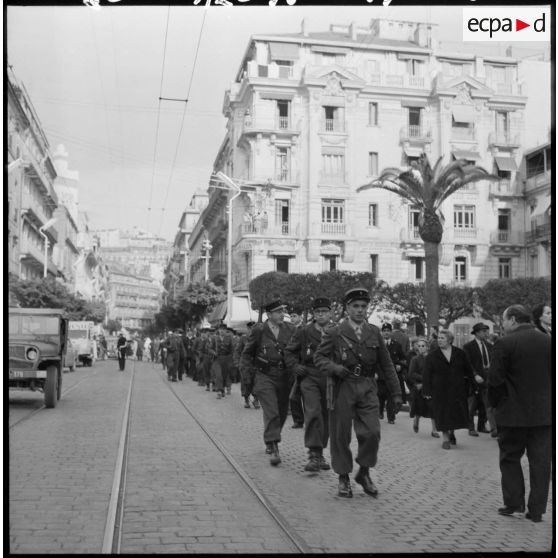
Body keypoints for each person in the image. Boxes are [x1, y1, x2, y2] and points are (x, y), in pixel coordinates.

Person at [314, 287, 402, 498]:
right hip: (343, 386)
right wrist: (334, 368)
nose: (360, 310)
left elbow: (387, 365)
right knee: (340, 435)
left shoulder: (374, 332)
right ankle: (343, 477)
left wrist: (397, 393)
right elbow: (319, 358)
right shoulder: (335, 332)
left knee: (372, 432)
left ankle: (363, 471)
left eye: (363, 306)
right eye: (356, 306)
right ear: (347, 308)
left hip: (368, 386)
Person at [488, 305, 552, 523]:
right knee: (541, 462)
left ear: (513, 320)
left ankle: (514, 503)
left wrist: (496, 405)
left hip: (512, 413)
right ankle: (537, 510)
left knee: (510, 458)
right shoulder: (548, 341)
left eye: (504, 321)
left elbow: (495, 380)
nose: (502, 325)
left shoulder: (504, 343)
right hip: (544, 414)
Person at [240, 299, 296, 466]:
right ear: (269, 315)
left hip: (284, 376)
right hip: (264, 376)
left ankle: (271, 437)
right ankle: (274, 444)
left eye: (283, 311)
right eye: (278, 312)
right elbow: (247, 353)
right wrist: (247, 376)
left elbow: (296, 352)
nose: (282, 315)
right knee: (272, 411)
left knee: (282, 411)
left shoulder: (291, 329)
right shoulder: (259, 330)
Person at [284, 297, 333, 473]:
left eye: (324, 311)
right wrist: (295, 366)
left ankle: (320, 452)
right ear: (314, 314)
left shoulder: (337, 331)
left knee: (327, 416)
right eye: (318, 312)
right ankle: (313, 453)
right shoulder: (304, 331)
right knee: (313, 413)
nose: (321, 315)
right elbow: (289, 352)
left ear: (330, 313)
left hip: (330, 378)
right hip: (309, 376)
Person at [422, 330, 479, 450]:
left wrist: (474, 386)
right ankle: (446, 439)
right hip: (439, 390)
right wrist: (426, 391)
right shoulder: (432, 356)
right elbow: (426, 375)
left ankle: (452, 432)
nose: (439, 340)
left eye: (442, 338)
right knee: (442, 414)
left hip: (457, 389)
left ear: (449, 340)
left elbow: (468, 370)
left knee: (454, 413)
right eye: (439, 338)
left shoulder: (460, 353)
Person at [463, 323, 494, 437]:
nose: (486, 333)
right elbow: (467, 363)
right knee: (472, 404)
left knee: (484, 404)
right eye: (483, 331)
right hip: (474, 379)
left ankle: (481, 425)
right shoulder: (468, 346)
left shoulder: (489, 345)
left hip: (486, 378)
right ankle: (470, 427)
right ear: (476, 332)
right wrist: (475, 374)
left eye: (486, 331)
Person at [405, 337, 438, 437]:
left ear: (427, 347)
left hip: (431, 387)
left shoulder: (432, 358)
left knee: (433, 408)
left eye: (423, 346)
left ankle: (434, 430)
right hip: (419, 386)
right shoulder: (415, 359)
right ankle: (416, 420)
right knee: (419, 407)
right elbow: (411, 374)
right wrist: (423, 379)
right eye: (419, 346)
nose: (421, 348)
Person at [377, 323, 407, 424]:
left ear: (391, 332)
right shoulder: (377, 344)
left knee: (391, 396)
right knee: (380, 395)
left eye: (388, 331)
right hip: (380, 376)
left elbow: (403, 359)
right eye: (384, 331)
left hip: (392, 375)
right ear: (382, 332)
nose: (386, 333)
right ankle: (380, 411)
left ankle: (391, 417)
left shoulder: (396, 345)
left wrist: (400, 366)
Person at [236, 322, 260, 409]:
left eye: (253, 328)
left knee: (257, 382)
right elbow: (238, 351)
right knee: (246, 382)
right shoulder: (243, 338)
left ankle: (256, 399)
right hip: (245, 364)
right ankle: (246, 399)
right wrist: (237, 363)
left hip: (256, 364)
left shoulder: (259, 338)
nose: (251, 330)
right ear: (248, 329)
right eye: (250, 328)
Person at [288, 312, 305, 429]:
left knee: (306, 396)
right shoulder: (289, 330)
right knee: (293, 396)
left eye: (294, 316)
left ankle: (310, 420)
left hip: (305, 366)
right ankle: (298, 420)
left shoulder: (305, 329)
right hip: (294, 367)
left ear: (300, 317)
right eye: (291, 316)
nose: (292, 318)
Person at [213, 323, 234, 398]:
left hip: (226, 359)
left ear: (226, 331)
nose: (221, 331)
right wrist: (213, 352)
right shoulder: (214, 338)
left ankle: (222, 389)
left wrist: (232, 360)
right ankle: (219, 390)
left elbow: (232, 349)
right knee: (218, 375)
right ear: (218, 330)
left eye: (223, 330)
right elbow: (209, 348)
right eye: (220, 329)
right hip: (217, 359)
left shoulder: (229, 338)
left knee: (224, 376)